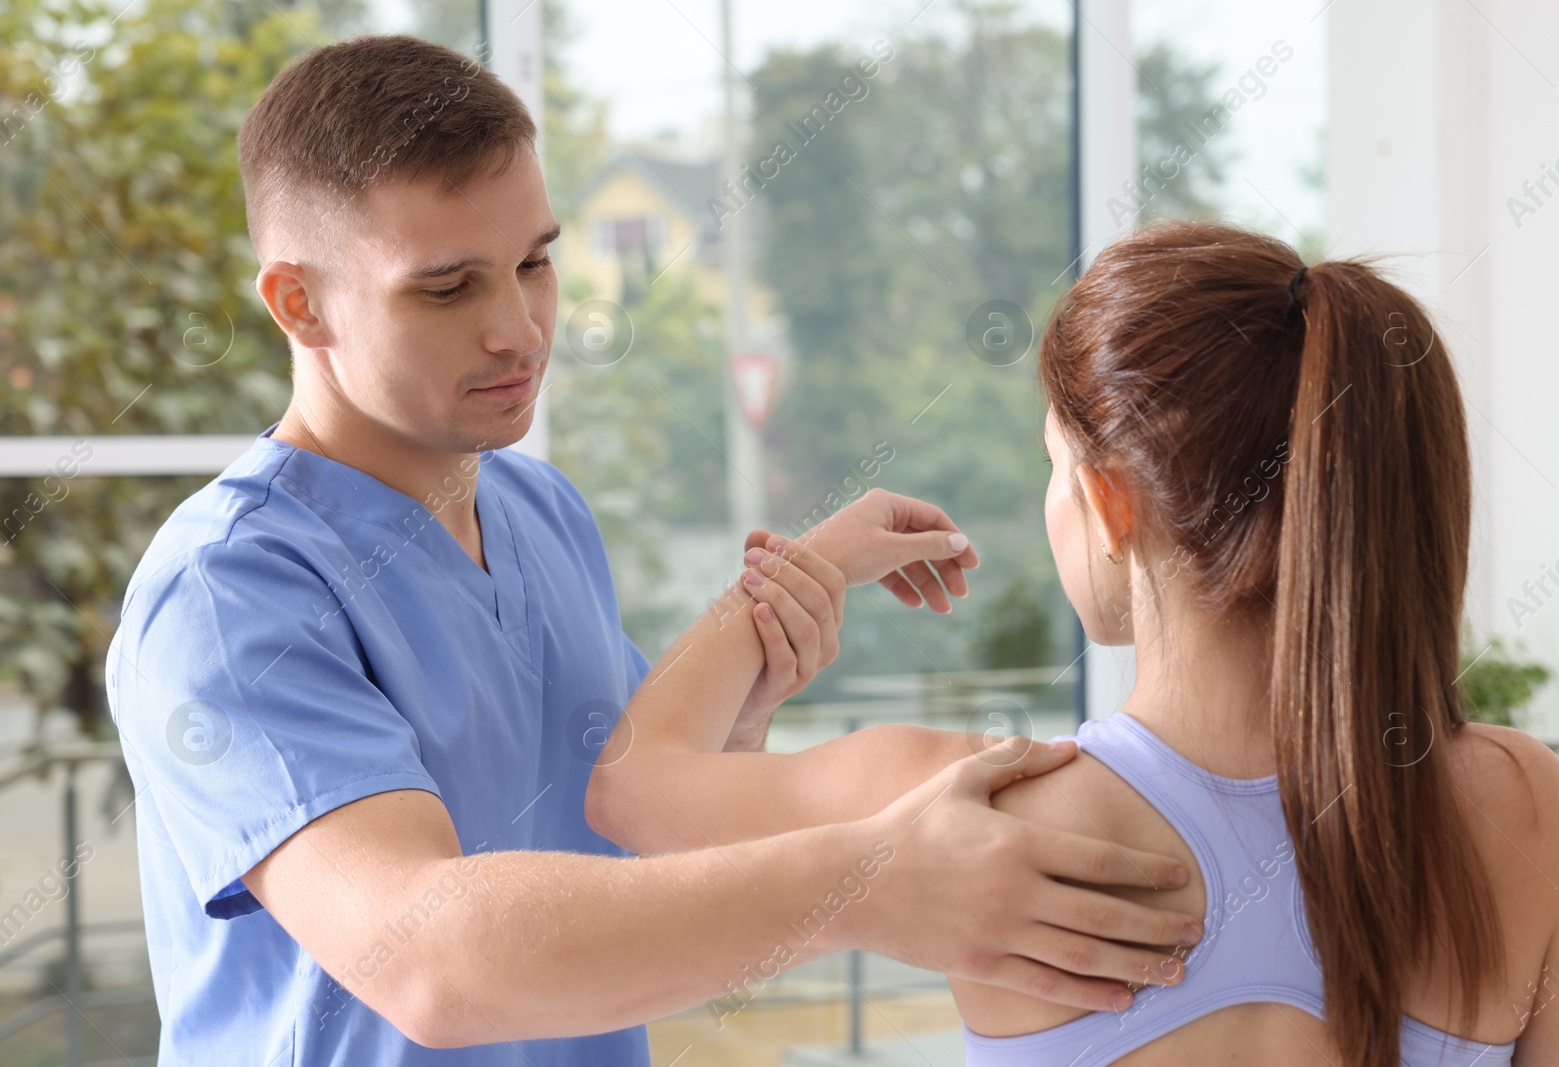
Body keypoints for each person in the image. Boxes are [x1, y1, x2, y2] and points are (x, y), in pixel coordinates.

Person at [102, 35, 1203, 1066]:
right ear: (301, 303)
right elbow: (424, 955)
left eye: (533, 262)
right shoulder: (229, 592)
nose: (521, 329)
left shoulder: (540, 512)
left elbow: (638, 857)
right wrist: (872, 880)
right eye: (449, 286)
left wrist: (749, 689)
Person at [590, 220, 1559, 1066]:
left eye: (1052, 465)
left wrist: (792, 571)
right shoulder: (1524, 805)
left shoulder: (978, 807)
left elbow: (633, 789)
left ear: (1107, 503)